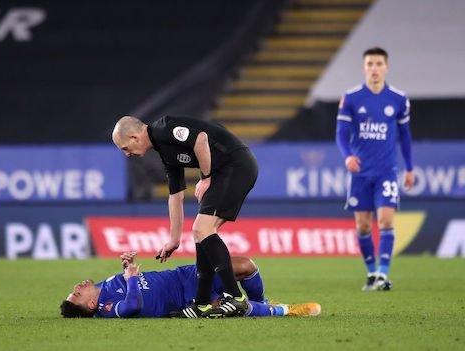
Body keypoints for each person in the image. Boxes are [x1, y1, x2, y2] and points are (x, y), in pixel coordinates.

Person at [112, 116, 258, 318]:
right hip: (226, 171)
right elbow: (175, 197)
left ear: (134, 136)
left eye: (125, 148)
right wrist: (174, 240)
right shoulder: (165, 152)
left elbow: (201, 139)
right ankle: (202, 303)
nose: (127, 154)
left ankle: (236, 297)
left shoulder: (164, 128)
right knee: (201, 234)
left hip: (234, 166)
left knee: (202, 229)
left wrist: (206, 178)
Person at [335, 47, 414, 291]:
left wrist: (409, 167)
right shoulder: (351, 97)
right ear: (364, 67)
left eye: (379, 63)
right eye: (370, 63)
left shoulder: (398, 99)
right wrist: (347, 156)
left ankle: (383, 273)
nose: (374, 68)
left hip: (386, 171)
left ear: (386, 67)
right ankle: (371, 272)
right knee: (363, 226)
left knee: (386, 220)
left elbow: (405, 135)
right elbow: (341, 133)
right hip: (360, 172)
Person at [60, 252, 321, 318]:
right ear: (91, 304)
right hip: (186, 299)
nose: (77, 286)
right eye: (76, 294)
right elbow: (132, 305)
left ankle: (263, 302)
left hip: (183, 275)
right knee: (232, 306)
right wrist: (130, 278)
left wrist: (126, 267)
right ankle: (285, 310)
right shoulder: (107, 308)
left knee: (246, 266)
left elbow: (131, 286)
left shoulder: (104, 286)